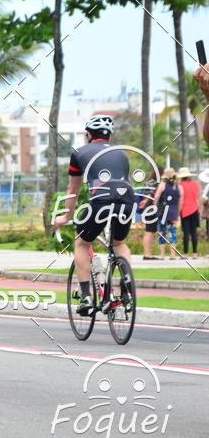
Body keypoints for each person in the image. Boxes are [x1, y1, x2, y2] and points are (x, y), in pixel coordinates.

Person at [53, 114, 136, 315]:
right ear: (108, 136)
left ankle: (86, 297)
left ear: (89, 135)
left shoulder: (79, 152)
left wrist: (65, 217)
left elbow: (72, 189)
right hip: (127, 199)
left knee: (81, 243)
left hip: (101, 200)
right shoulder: (122, 154)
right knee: (119, 243)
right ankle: (126, 284)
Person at [154, 168, 180, 261]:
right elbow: (179, 201)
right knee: (172, 233)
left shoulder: (162, 184)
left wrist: (154, 206)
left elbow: (156, 196)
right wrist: (177, 212)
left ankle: (162, 255)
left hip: (163, 211)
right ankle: (173, 255)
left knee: (162, 232)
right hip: (173, 211)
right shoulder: (177, 186)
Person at [177, 167, 200, 258]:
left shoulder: (180, 185)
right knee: (194, 232)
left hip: (185, 211)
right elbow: (197, 196)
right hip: (195, 209)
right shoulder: (196, 184)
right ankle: (195, 253)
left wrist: (178, 212)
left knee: (186, 233)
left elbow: (180, 199)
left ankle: (185, 254)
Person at [140, 167, 162, 259]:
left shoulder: (148, 181)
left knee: (149, 231)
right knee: (150, 231)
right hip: (151, 209)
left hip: (147, 209)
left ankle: (147, 253)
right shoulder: (156, 183)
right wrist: (146, 201)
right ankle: (147, 254)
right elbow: (150, 194)